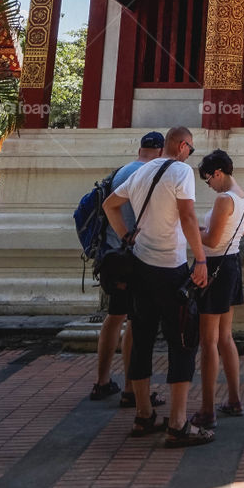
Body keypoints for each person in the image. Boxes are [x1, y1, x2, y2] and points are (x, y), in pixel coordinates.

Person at [103, 125, 212, 448]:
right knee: (182, 342)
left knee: (142, 339)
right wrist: (201, 259)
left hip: (139, 268)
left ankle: (143, 414)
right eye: (190, 149)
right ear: (181, 146)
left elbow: (110, 204)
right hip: (170, 268)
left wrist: (126, 235)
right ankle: (178, 424)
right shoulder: (180, 171)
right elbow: (189, 217)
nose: (190, 154)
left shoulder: (140, 171)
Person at [89, 131, 165, 406]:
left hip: (112, 257)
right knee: (136, 320)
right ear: (160, 151)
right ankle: (131, 389)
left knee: (114, 316)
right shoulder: (150, 175)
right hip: (135, 258)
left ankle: (102, 381)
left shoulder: (121, 172)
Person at [190, 149, 244, 429]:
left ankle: (207, 409)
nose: (209, 185)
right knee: (225, 337)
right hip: (232, 265)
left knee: (209, 342)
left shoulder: (224, 199)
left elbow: (212, 240)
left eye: (208, 180)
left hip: (214, 267)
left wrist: (189, 227)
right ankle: (234, 399)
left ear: (218, 173)